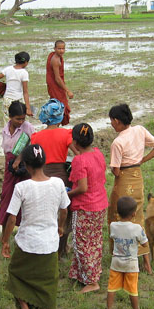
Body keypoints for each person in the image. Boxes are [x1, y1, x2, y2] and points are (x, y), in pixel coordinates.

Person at [2, 144, 70, 309]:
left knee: (16, 273)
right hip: (49, 242)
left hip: (27, 242)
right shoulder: (57, 183)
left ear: (27, 165)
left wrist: (5, 241)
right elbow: (64, 209)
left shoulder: (21, 187)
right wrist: (60, 226)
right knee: (49, 282)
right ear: (44, 162)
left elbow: (12, 217)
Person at [107, 103, 154, 264]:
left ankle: (121, 254)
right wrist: (141, 160)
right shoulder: (140, 130)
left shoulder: (117, 142)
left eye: (111, 121)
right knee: (137, 216)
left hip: (124, 180)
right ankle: (146, 260)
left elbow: (116, 170)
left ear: (117, 121)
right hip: (137, 177)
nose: (111, 124)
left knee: (117, 216)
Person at [30, 99, 74, 256]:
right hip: (62, 177)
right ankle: (62, 247)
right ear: (60, 117)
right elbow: (78, 152)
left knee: (45, 213)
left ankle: (44, 247)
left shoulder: (36, 136)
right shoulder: (67, 134)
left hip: (43, 176)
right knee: (64, 211)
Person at [67, 123, 108, 293]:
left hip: (85, 207)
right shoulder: (98, 154)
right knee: (95, 241)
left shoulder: (79, 160)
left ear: (75, 142)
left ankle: (92, 281)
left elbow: (82, 188)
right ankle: (81, 272)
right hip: (100, 204)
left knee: (81, 243)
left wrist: (66, 195)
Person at [0, 101, 35, 241]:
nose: (21, 121)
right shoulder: (5, 130)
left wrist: (20, 159)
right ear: (10, 117)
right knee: (6, 197)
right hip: (10, 168)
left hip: (25, 168)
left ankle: (25, 233)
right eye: (17, 119)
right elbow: (6, 151)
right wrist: (10, 164)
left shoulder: (28, 128)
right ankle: (4, 235)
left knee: (25, 199)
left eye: (23, 118)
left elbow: (34, 146)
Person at [107, 196, 150, 309]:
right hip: (131, 264)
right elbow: (145, 244)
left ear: (118, 212)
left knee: (112, 287)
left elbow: (112, 237)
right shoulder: (137, 228)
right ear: (134, 214)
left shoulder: (113, 226)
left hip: (116, 262)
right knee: (132, 288)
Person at [0, 51, 33, 122]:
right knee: (22, 121)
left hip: (7, 100)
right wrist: (28, 108)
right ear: (26, 62)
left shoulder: (8, 69)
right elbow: (25, 92)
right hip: (18, 100)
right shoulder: (24, 73)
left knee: (8, 121)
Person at [46, 40, 72, 125]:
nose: (61, 51)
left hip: (56, 85)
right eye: (59, 48)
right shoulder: (55, 60)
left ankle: (56, 127)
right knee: (59, 108)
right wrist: (67, 90)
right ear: (55, 49)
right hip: (55, 86)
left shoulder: (56, 57)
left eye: (63, 49)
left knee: (58, 107)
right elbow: (57, 78)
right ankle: (55, 127)